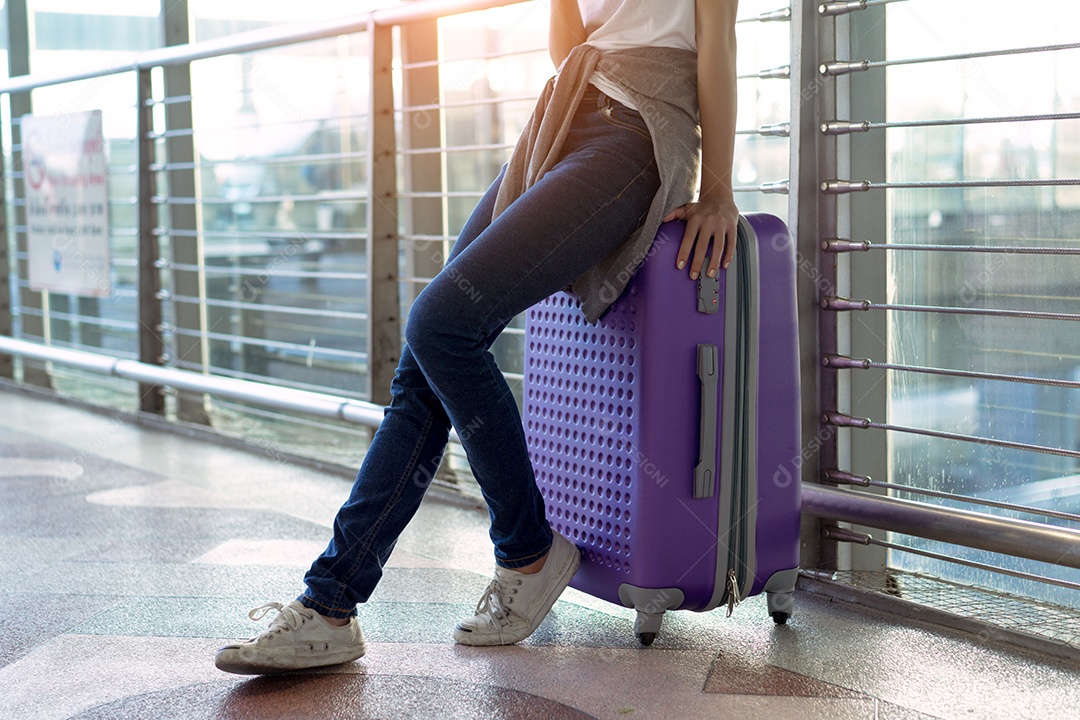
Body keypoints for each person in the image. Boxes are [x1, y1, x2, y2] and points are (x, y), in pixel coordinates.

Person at [214, 0, 739, 675]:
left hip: (637, 135)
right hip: (564, 117)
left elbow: (718, 41)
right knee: (423, 361)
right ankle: (329, 605)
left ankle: (528, 551)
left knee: (439, 325)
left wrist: (719, 188)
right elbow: (568, 47)